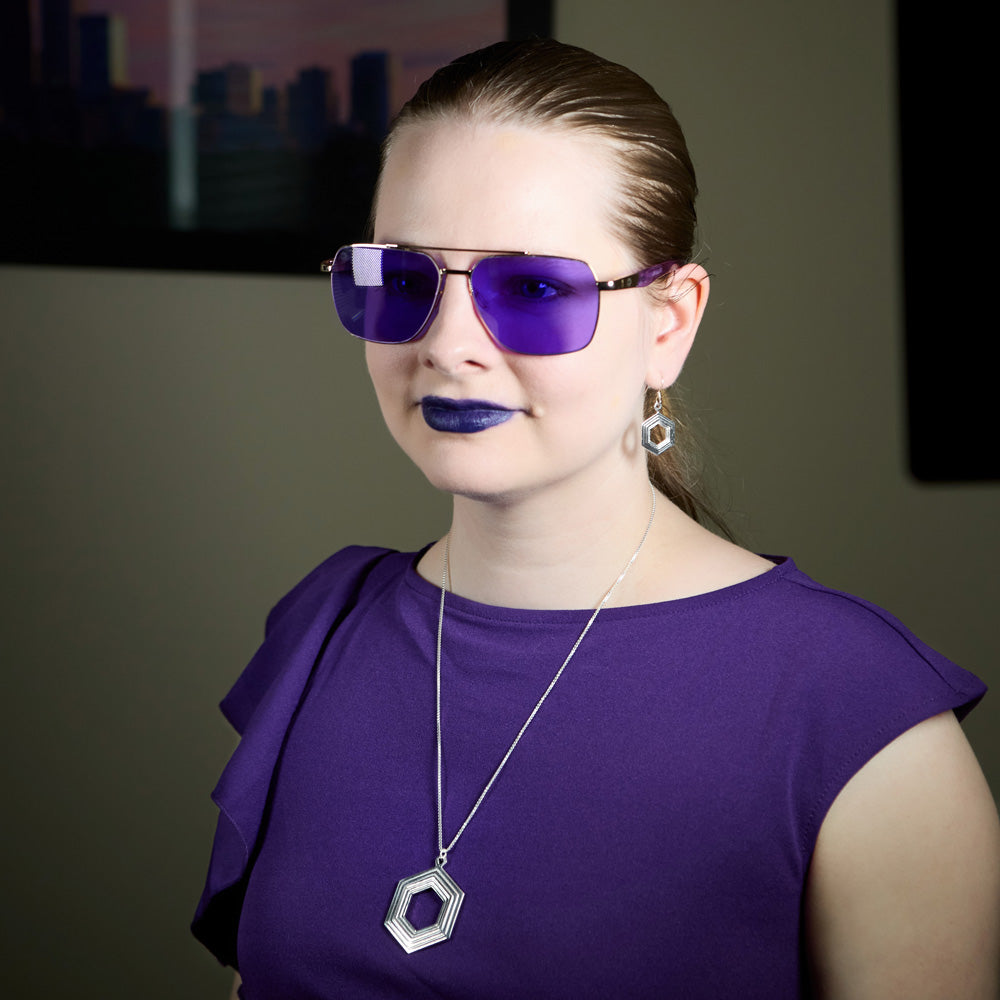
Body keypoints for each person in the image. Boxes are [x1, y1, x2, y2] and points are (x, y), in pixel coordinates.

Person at [193, 38, 1000, 999]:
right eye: (404, 279)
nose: (450, 348)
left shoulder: (856, 722)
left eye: (532, 289)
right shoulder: (323, 632)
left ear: (669, 323)